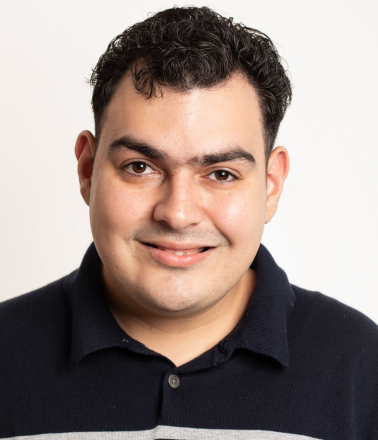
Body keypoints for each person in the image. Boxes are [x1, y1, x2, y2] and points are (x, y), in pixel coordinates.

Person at [0, 5, 377, 440]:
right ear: (87, 170)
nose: (178, 214)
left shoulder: (361, 368)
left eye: (221, 174)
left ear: (270, 186)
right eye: (140, 167)